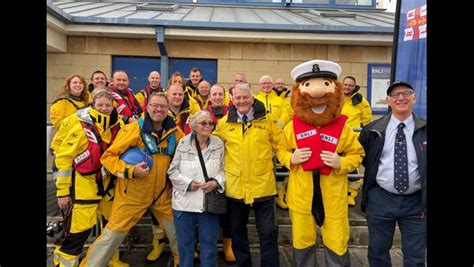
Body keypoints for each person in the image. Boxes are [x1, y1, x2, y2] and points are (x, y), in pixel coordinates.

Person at [79, 93, 185, 267]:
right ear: (147, 107)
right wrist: (130, 171)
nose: (158, 109)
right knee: (111, 237)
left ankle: (182, 261)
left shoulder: (175, 132)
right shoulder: (133, 129)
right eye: (154, 105)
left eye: (163, 106)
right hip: (132, 195)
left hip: (161, 194)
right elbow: (109, 158)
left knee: (177, 232)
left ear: (168, 109)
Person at [277, 59, 364, 266]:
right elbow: (280, 149)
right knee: (302, 241)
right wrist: (291, 158)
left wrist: (340, 162)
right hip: (301, 197)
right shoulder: (292, 127)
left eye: (325, 84)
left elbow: (357, 154)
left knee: (336, 241)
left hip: (333, 196)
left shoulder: (343, 127)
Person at [52, 89, 125, 266]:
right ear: (93, 105)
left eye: (108, 105)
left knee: (110, 229)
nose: (104, 108)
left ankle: (109, 260)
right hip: (84, 188)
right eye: (100, 105)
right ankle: (65, 263)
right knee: (79, 232)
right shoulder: (79, 125)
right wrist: (62, 192)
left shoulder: (119, 126)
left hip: (109, 187)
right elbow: (63, 159)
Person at [213, 83, 282, 267]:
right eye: (238, 98)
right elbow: (212, 149)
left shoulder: (268, 120)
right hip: (235, 189)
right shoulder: (223, 124)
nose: (242, 101)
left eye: (245, 97)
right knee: (237, 232)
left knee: (267, 233)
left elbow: (281, 146)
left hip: (263, 187)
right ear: (232, 100)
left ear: (252, 98)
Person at [359, 81, 426, 267]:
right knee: (377, 252)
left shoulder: (425, 129)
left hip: (416, 203)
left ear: (414, 98)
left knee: (416, 256)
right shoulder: (372, 130)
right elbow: (367, 159)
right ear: (388, 100)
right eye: (395, 95)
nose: (401, 98)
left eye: (406, 93)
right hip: (381, 199)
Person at [168, 110, 225, 267]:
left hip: (208, 204)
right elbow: (172, 171)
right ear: (194, 126)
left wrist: (216, 182)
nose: (208, 126)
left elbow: (225, 170)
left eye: (210, 123)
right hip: (184, 204)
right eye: (204, 123)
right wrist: (188, 183)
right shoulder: (183, 143)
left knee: (209, 247)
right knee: (185, 248)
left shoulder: (218, 143)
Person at [205, 83, 236, 262]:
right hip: (207, 167)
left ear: (224, 96)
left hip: (229, 166)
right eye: (214, 94)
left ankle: (228, 246)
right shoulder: (203, 114)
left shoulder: (232, 114)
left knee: (228, 211)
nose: (217, 97)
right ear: (209, 97)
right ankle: (202, 245)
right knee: (206, 209)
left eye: (219, 94)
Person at [255, 75, 291, 210]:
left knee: (280, 168)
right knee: (261, 167)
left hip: (278, 140)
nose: (266, 86)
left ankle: (279, 197)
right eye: (263, 83)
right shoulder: (255, 99)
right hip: (261, 139)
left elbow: (287, 114)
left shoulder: (280, 100)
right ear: (260, 85)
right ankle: (259, 196)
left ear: (272, 85)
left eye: (268, 83)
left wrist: (279, 125)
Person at [341, 75, 373, 207]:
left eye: (350, 85)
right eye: (346, 84)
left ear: (355, 86)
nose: (347, 87)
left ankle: (352, 194)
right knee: (339, 167)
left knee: (353, 167)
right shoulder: (336, 98)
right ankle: (341, 193)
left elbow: (367, 120)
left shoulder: (361, 101)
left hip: (353, 139)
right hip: (336, 139)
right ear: (342, 84)